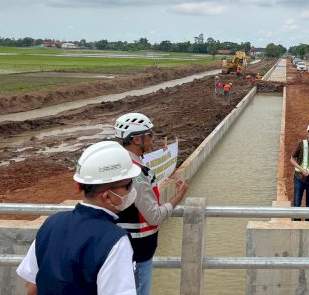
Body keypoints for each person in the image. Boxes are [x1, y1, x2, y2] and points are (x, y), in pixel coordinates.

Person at [17, 141, 140, 294]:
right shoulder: (115, 241)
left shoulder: (51, 223)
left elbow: (32, 288)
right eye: (128, 185)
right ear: (108, 196)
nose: (132, 189)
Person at [114, 113, 189, 295]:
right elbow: (154, 216)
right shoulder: (137, 172)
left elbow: (135, 204)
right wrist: (179, 195)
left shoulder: (118, 162)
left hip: (121, 247)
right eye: (150, 135)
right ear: (137, 139)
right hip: (138, 252)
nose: (152, 139)